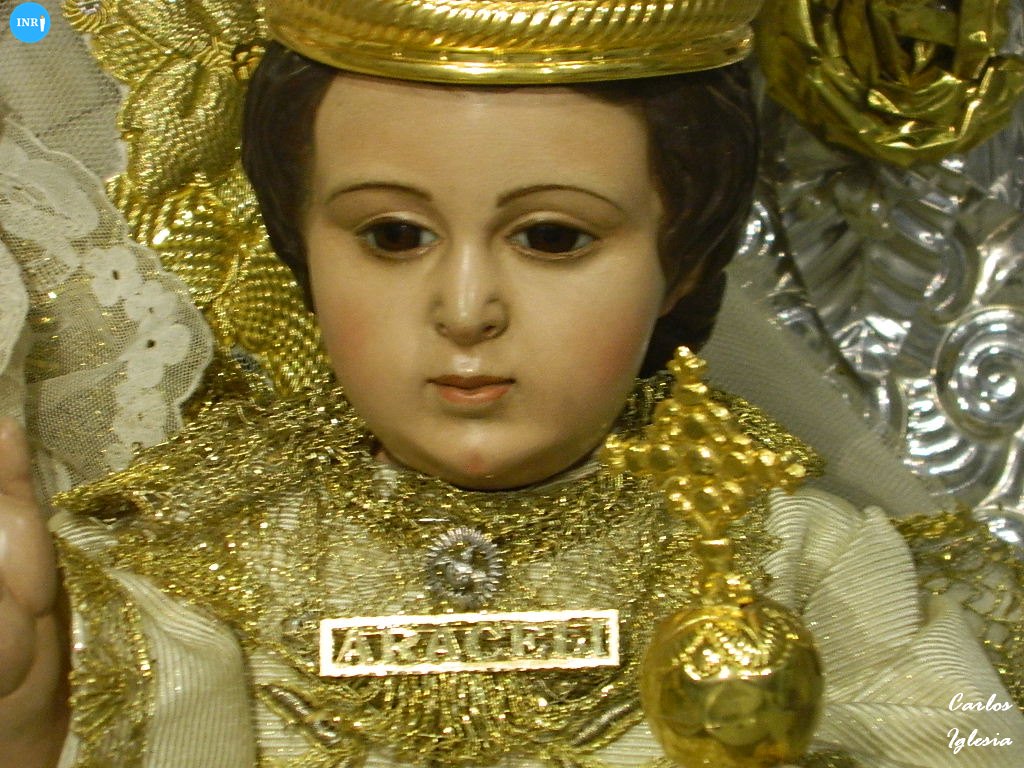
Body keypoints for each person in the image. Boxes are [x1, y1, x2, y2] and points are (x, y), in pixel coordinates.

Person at [0, 2, 1021, 767]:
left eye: (552, 239)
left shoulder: (794, 556)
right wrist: (37, 714)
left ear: (684, 259)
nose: (466, 309)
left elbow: (967, 737)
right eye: (392, 236)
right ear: (301, 244)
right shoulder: (199, 558)